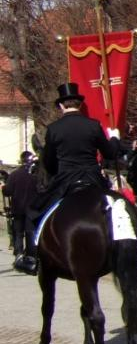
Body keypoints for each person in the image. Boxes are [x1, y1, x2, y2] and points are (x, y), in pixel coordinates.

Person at [17, 83, 121, 275]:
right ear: (79, 105)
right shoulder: (93, 125)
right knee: (121, 209)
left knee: (34, 212)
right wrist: (114, 138)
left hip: (65, 180)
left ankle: (31, 257)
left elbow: (48, 163)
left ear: (62, 106)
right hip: (93, 179)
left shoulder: (55, 129)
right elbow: (109, 153)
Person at [5, 152, 38, 262]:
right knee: (30, 232)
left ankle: (19, 253)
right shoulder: (35, 175)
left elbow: (8, 191)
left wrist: (4, 188)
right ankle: (31, 255)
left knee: (18, 233)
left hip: (17, 208)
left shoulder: (14, 174)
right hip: (32, 209)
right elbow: (41, 190)